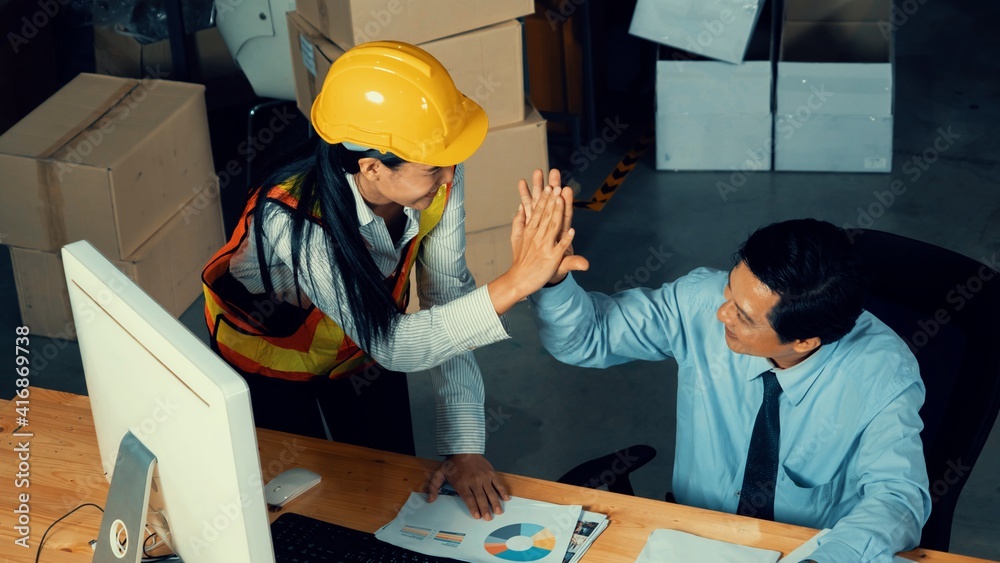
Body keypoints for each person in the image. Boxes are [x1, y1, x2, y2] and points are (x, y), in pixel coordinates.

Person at [201, 41, 577, 521]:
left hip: (357, 356)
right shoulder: (292, 217)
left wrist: (464, 449)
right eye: (433, 167)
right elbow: (395, 345)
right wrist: (516, 283)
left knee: (389, 494)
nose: (449, 177)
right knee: (302, 508)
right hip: (271, 368)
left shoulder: (436, 176)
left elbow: (445, 296)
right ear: (372, 167)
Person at [523, 181, 931, 561]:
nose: (722, 314)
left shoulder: (882, 373)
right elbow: (587, 336)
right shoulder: (702, 302)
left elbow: (897, 497)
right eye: (730, 291)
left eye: (744, 316)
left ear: (805, 342)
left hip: (803, 550)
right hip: (692, 539)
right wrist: (554, 282)